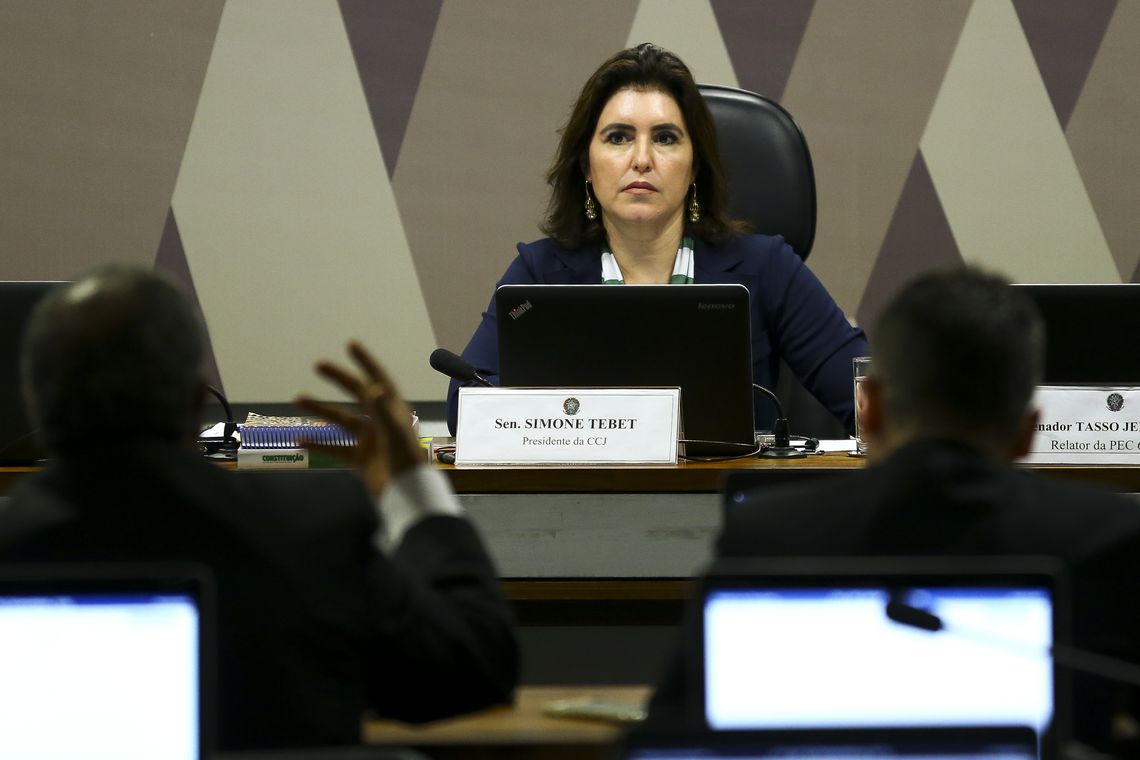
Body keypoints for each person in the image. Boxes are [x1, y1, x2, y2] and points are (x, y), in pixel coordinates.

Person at [0, 266, 518, 750]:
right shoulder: (310, 528)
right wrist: (413, 486)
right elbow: (472, 668)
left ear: (33, 397)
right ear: (194, 399)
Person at [648, 267, 1140, 754]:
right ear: (1028, 431)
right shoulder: (1108, 538)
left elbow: (670, 737)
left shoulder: (765, 533)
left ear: (871, 409)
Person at [446, 42, 867, 435]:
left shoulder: (766, 267)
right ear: (586, 166)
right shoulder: (539, 274)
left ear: (695, 166)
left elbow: (874, 398)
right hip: (585, 491)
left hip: (729, 489)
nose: (642, 159)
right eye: (619, 137)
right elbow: (466, 405)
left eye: (665, 138)